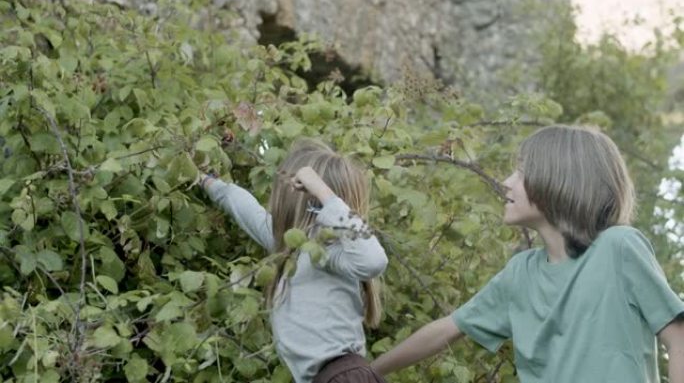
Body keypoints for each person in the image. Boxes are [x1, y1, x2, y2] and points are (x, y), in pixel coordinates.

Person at [371, 125, 684, 383]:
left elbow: (678, 339)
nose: (506, 184)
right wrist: (368, 372)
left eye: (520, 173)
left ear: (558, 180)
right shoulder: (520, 273)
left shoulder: (619, 248)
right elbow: (446, 330)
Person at [199, 139, 388, 383]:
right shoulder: (290, 246)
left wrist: (323, 193)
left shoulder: (326, 251)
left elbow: (374, 260)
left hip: (345, 376)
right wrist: (206, 181)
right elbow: (246, 209)